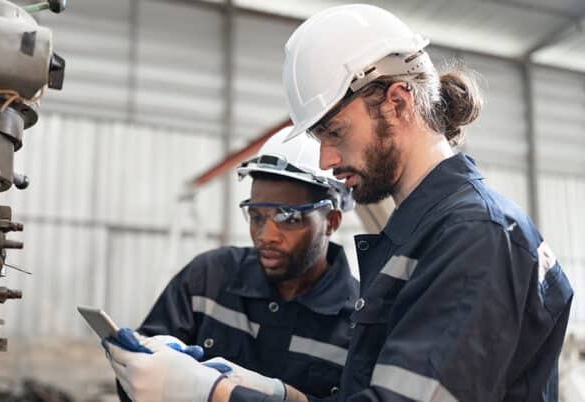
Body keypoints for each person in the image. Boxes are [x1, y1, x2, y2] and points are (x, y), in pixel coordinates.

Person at [103, 4, 573, 402]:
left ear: (398, 102)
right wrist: (274, 392)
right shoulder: (422, 236)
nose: (327, 159)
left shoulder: (475, 237)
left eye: (335, 132)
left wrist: (218, 395)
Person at [115, 126, 357, 401]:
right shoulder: (208, 279)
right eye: (256, 217)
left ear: (331, 222)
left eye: (288, 218)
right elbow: (135, 380)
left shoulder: (359, 322)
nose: (266, 236)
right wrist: (141, 363)